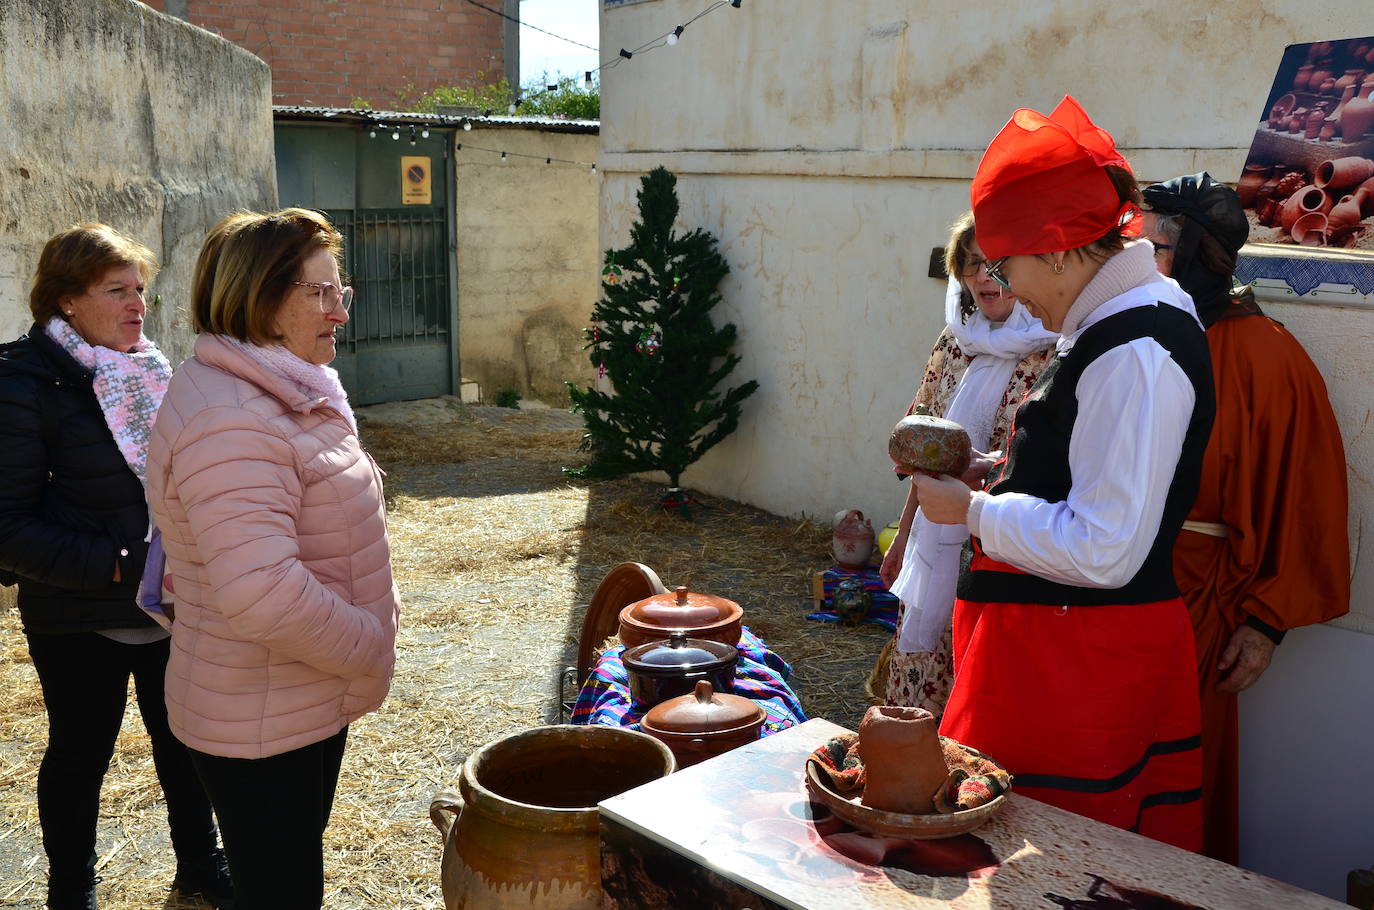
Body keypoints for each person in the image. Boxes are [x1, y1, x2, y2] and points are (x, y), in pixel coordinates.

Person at [913, 96, 1215, 851]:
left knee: (1061, 865)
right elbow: (1090, 475)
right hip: (1055, 653)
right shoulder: (1113, 326)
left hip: (1078, 671)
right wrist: (999, 472)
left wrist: (972, 513)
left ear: (1055, 250)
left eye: (1006, 264)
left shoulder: (1135, 351)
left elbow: (1104, 546)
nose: (1005, 286)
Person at [146, 209, 399, 908]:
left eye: (340, 292)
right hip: (261, 712)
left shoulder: (276, 387)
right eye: (320, 294)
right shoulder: (233, 418)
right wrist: (370, 644)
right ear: (260, 299)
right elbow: (262, 593)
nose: (338, 312)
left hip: (290, 693)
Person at [0, 225, 231, 909]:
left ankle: (200, 866)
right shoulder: (21, 382)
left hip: (172, 601)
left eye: (140, 290)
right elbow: (7, 528)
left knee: (187, 743)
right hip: (79, 610)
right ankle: (71, 889)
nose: (137, 305)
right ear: (67, 300)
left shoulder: (151, 368)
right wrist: (125, 566)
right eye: (116, 291)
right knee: (81, 754)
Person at [1141, 172, 1350, 863]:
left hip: (1196, 601)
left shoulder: (1267, 353)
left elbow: (1309, 495)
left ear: (1197, 255)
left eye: (1153, 248)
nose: (1136, 262)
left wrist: (1265, 625)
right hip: (1099, 581)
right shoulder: (1128, 332)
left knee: (1175, 774)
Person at [872, 212, 1056, 714]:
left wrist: (987, 473)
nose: (983, 276)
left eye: (997, 263)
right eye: (971, 263)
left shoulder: (1056, 348)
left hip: (1002, 545)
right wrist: (903, 538)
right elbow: (923, 452)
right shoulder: (955, 343)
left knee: (982, 680)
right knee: (923, 668)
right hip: (936, 540)